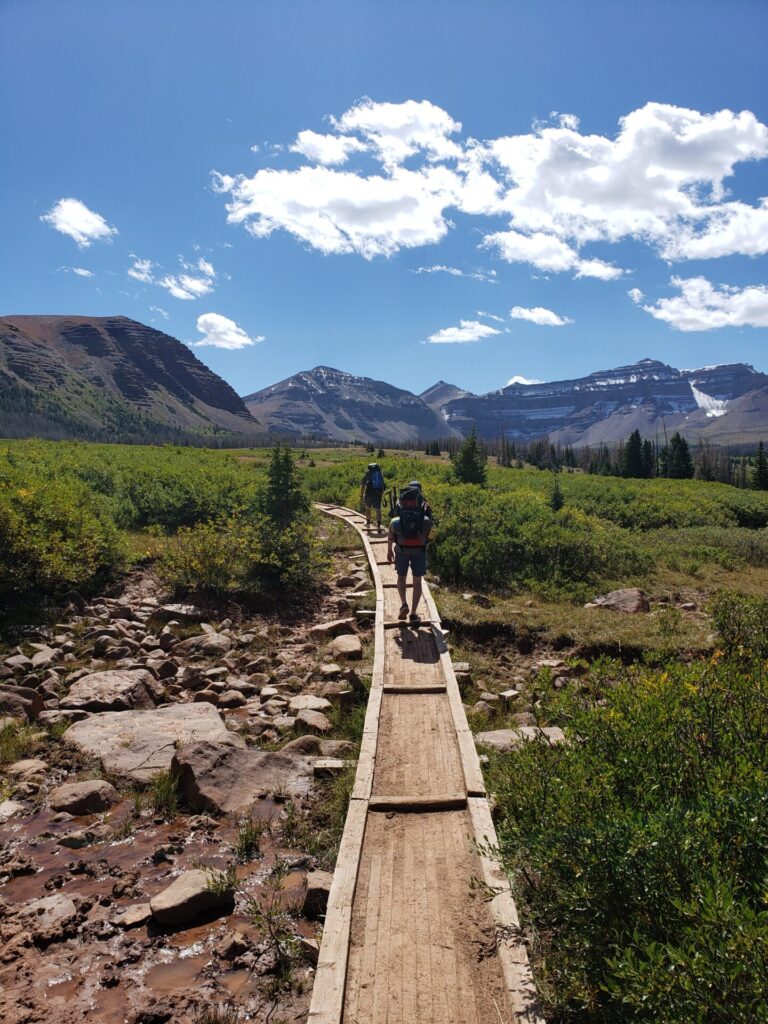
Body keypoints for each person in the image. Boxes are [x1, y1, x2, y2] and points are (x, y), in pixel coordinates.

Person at [387, 482, 434, 624]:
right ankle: (413, 613)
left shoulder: (400, 503)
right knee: (417, 582)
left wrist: (389, 550)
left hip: (401, 549)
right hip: (419, 550)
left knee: (401, 578)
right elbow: (431, 531)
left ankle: (403, 604)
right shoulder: (425, 505)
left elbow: (392, 527)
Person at [359, 462, 385, 531]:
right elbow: (382, 485)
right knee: (378, 511)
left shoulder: (367, 474)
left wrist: (361, 496)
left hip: (369, 494)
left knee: (368, 509)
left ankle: (368, 523)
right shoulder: (380, 474)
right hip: (378, 494)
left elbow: (363, 485)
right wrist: (381, 495)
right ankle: (379, 526)